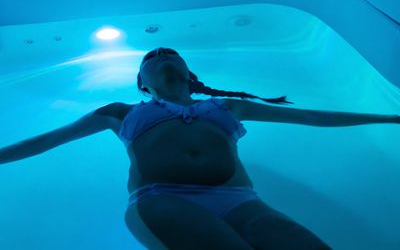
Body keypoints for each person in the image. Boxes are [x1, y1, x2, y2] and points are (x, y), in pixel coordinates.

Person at [1, 47, 398, 249]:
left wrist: (390, 118)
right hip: (162, 197)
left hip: (241, 200)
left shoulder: (226, 107)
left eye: (170, 53)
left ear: (190, 75)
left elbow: (313, 117)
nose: (161, 55)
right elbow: (43, 141)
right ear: (142, 82)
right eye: (151, 57)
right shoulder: (120, 112)